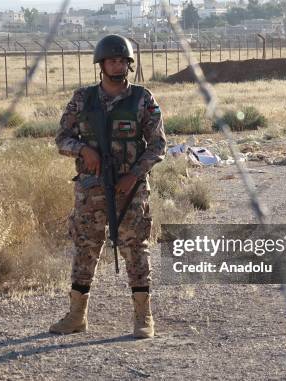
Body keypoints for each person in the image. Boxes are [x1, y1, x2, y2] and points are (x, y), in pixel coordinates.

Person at [51, 34, 167, 339]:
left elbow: (158, 145)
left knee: (136, 248)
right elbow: (61, 139)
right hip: (91, 189)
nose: (117, 65)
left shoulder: (143, 99)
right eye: (111, 60)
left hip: (130, 190)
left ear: (129, 64)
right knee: (85, 248)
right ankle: (77, 316)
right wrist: (82, 150)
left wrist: (134, 174)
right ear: (101, 64)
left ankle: (144, 316)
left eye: (122, 60)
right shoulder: (82, 99)